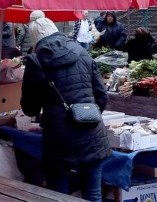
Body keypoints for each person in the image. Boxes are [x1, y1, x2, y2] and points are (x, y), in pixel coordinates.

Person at [21, 11, 110, 201]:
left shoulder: (35, 62)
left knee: (59, 193)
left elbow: (30, 108)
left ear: (35, 40)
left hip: (58, 137)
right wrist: (86, 115)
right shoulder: (81, 52)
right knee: (93, 193)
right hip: (91, 131)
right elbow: (102, 95)